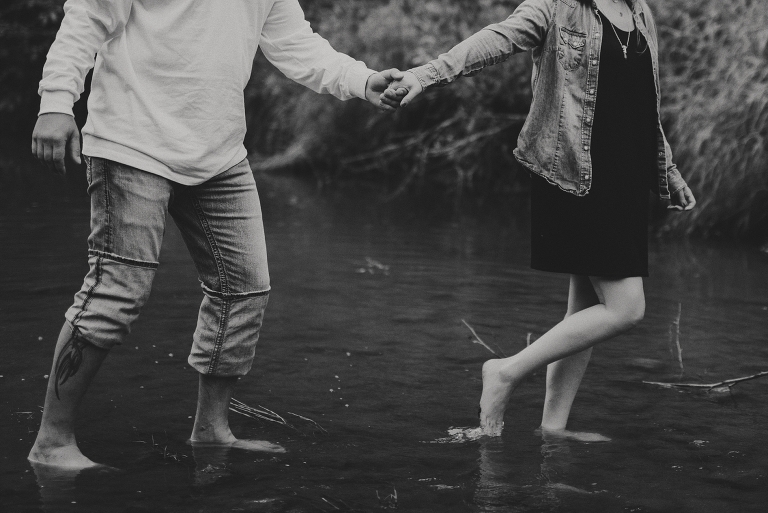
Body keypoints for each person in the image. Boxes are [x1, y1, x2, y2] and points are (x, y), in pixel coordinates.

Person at [29, 0, 404, 469]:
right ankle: (52, 442)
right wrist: (56, 101)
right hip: (132, 139)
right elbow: (87, 15)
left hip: (218, 152)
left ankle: (211, 430)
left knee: (244, 288)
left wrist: (363, 81)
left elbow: (296, 44)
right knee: (117, 291)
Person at [385, 0, 696, 439]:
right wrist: (423, 74)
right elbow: (495, 39)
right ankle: (506, 371)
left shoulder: (640, 12)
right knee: (627, 309)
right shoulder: (557, 6)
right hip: (572, 171)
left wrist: (667, 169)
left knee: (585, 311)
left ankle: (553, 430)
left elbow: (645, 104)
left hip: (622, 180)